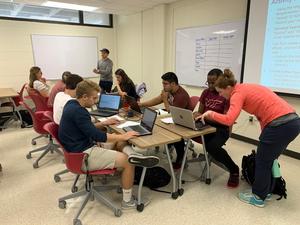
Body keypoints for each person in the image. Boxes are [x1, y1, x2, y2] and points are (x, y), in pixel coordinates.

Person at [197, 69, 300, 207]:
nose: (221, 96)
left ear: (228, 87)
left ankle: (258, 197)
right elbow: (263, 113)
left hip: (279, 125)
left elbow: (228, 120)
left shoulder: (236, 94)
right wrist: (264, 135)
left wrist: (210, 113)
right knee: (268, 159)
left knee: (262, 161)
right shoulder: (245, 87)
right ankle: (266, 191)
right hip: (293, 122)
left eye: (221, 92)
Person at [58, 80, 159, 209]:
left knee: (118, 142)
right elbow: (98, 136)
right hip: (83, 156)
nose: (95, 102)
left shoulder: (71, 104)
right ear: (84, 97)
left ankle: (133, 154)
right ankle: (127, 202)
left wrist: (104, 123)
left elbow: (86, 128)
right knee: (128, 162)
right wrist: (123, 135)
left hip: (76, 151)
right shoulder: (79, 112)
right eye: (94, 98)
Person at [193, 68, 239, 188]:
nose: (210, 85)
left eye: (213, 82)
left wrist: (206, 117)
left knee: (212, 146)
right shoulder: (205, 92)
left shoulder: (226, 95)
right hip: (205, 125)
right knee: (182, 131)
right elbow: (200, 112)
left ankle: (234, 170)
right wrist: (197, 115)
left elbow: (225, 119)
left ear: (220, 81)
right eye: (208, 82)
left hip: (221, 128)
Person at [139, 72, 192, 169]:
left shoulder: (181, 96)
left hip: (183, 123)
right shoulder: (169, 91)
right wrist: (142, 104)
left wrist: (165, 99)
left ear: (173, 84)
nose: (163, 86)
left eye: (165, 84)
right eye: (162, 83)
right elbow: (157, 100)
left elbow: (172, 113)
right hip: (173, 119)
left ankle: (181, 159)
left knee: (176, 136)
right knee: (153, 118)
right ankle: (168, 146)